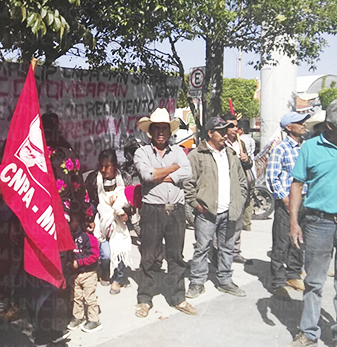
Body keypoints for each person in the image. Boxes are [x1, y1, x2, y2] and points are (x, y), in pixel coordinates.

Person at [133, 108, 196, 318]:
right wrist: (173, 169)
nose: (161, 132)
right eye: (157, 129)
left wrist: (163, 174)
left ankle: (178, 298)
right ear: (150, 131)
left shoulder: (178, 151)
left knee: (176, 257)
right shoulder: (142, 152)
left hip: (176, 211)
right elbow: (147, 174)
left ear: (169, 132)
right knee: (149, 256)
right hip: (152, 210)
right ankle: (144, 299)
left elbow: (187, 171)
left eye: (164, 129)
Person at [287, 100, 337, 347]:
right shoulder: (310, 148)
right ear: (329, 125)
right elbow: (296, 185)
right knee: (314, 282)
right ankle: (308, 331)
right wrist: (294, 222)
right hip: (319, 223)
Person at [184, 117, 248, 299]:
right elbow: (188, 183)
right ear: (210, 133)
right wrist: (196, 204)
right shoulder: (197, 155)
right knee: (202, 247)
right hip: (207, 213)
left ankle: (225, 281)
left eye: (226, 130)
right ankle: (197, 282)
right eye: (220, 131)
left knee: (227, 248)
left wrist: (239, 200)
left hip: (229, 211)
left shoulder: (231, 154)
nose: (225, 135)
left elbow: (241, 181)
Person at [266, 111, 309, 301]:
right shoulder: (281, 149)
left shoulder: (306, 148)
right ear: (289, 127)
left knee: (299, 241)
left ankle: (293, 274)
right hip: (287, 203)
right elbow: (272, 176)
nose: (304, 125)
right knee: (281, 242)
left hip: (306, 201)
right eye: (299, 123)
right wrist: (283, 198)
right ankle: (278, 282)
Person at [85, 149, 133, 295]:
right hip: (102, 222)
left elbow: (130, 201)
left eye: (107, 166)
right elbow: (89, 201)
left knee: (118, 250)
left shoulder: (124, 178)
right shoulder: (94, 179)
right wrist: (89, 218)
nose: (104, 170)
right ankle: (105, 270)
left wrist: (127, 214)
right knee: (105, 254)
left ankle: (117, 278)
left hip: (119, 222)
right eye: (101, 166)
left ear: (115, 166)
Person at [221, 113, 253, 264]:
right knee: (222, 221)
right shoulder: (220, 143)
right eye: (230, 126)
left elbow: (248, 165)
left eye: (236, 126)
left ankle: (235, 251)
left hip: (239, 187)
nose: (234, 129)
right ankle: (219, 251)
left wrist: (247, 160)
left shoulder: (240, 143)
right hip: (225, 186)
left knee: (238, 220)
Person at [67, 213, 102, 333]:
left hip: (89, 273)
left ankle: (94, 320)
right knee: (76, 297)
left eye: (72, 221)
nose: (69, 223)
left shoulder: (88, 237)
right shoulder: (69, 236)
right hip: (75, 274)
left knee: (89, 298)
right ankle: (78, 317)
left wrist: (80, 263)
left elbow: (94, 255)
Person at [238, 119, 256, 231]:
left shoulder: (241, 140)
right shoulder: (251, 140)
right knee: (249, 198)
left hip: (245, 172)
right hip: (252, 173)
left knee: (244, 198)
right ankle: (247, 222)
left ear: (241, 129)